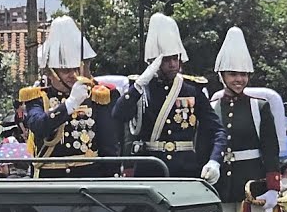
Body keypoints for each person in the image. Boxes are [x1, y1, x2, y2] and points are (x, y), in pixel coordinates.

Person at [204, 27, 282, 212]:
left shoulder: (259, 107)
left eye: (244, 74)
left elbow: (271, 149)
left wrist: (272, 187)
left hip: (250, 188)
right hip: (221, 187)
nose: (239, 79)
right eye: (233, 74)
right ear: (222, 75)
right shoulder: (212, 105)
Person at [114, 12, 227, 180]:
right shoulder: (140, 88)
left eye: (176, 58)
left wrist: (214, 161)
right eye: (166, 60)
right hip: (150, 170)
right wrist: (138, 86)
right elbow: (118, 115)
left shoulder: (192, 89)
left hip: (185, 169)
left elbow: (217, 130)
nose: (173, 64)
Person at [21, 15, 121, 179]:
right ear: (51, 72)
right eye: (66, 70)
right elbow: (38, 126)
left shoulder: (95, 97)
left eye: (76, 68)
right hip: (51, 180)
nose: (72, 75)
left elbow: (108, 145)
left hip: (88, 179)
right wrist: (69, 105)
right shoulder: (38, 97)